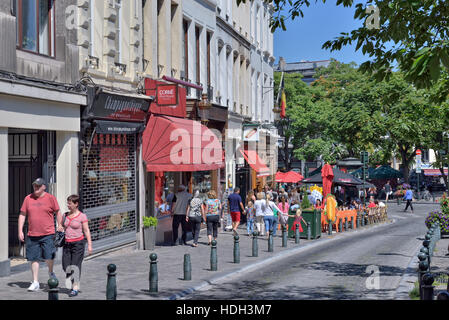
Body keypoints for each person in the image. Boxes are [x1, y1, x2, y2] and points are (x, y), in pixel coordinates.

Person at [18, 178, 63, 292]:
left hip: (48, 233)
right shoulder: (28, 199)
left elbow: (58, 212)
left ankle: (51, 272)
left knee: (49, 256)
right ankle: (35, 282)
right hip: (33, 234)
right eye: (34, 186)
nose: (36, 188)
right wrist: (20, 230)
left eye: (38, 186)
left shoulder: (50, 198)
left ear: (44, 187)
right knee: (34, 258)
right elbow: (22, 215)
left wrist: (60, 225)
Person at [62, 194, 92, 297]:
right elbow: (62, 227)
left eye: (70, 203)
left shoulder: (82, 216)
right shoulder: (65, 215)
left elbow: (86, 231)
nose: (68, 205)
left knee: (74, 266)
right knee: (65, 266)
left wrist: (89, 245)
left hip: (78, 244)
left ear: (76, 204)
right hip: (67, 244)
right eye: (68, 203)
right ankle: (72, 282)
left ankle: (75, 288)